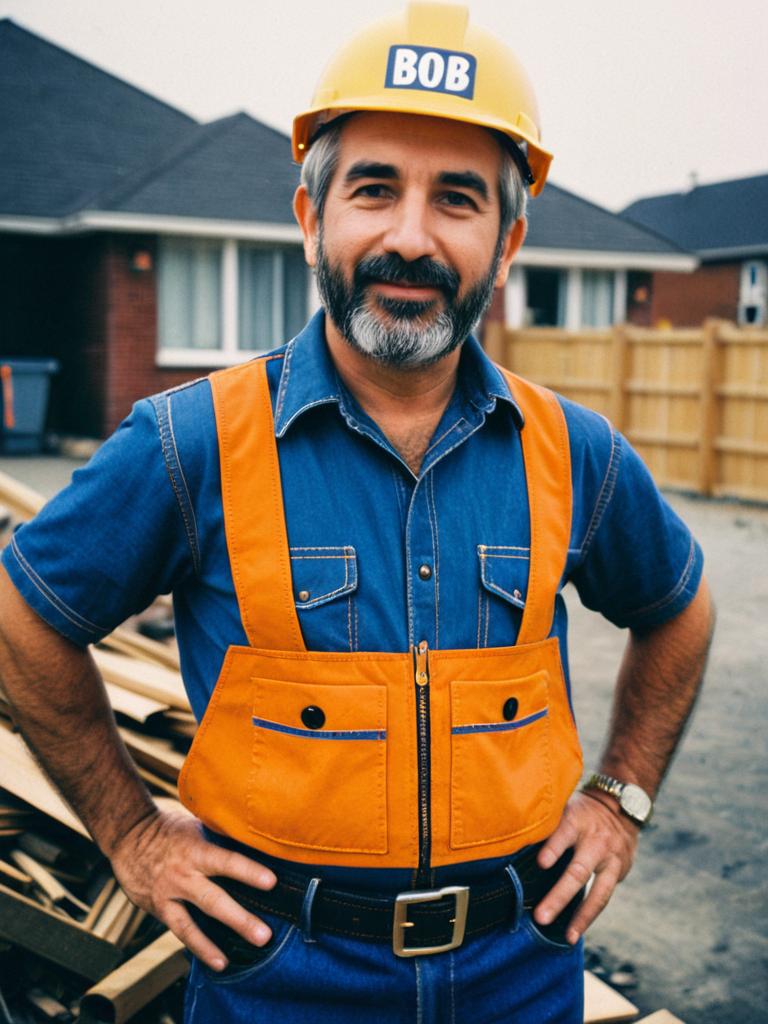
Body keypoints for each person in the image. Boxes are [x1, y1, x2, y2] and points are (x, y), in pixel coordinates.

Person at [0, 4, 713, 1022]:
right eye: (374, 188)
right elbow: (26, 616)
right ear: (309, 217)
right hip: (279, 986)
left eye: (457, 200)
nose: (410, 237)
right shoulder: (187, 443)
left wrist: (620, 797)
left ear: (507, 241)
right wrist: (131, 835)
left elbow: (679, 609)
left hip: (522, 978)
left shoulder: (576, 452)